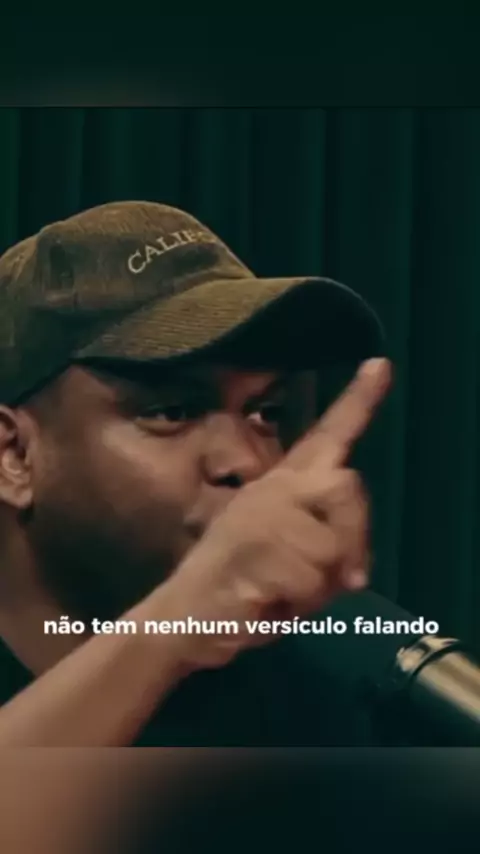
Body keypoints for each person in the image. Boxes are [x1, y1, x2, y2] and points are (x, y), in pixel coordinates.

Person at [0, 200, 390, 748]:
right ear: (14, 456)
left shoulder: (316, 710)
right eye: (172, 412)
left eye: (266, 414)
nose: (248, 463)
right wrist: (172, 627)